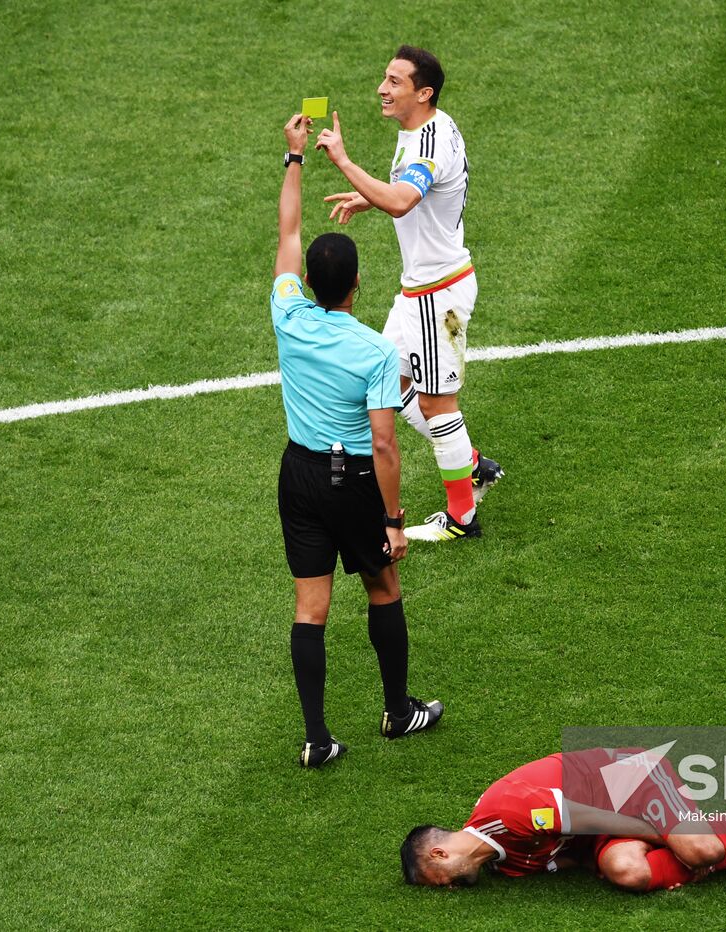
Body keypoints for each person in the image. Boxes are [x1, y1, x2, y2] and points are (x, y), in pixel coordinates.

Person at [270, 112, 444, 769]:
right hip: (352, 485)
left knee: (309, 608)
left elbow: (288, 231)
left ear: (310, 283)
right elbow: (385, 445)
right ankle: (398, 712)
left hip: (298, 477)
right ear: (357, 285)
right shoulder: (374, 352)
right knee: (383, 587)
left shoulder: (287, 312)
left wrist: (295, 158)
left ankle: (316, 739)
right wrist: (394, 520)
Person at [316, 45, 504, 544]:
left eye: (395, 81)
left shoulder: (428, 144)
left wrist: (344, 162)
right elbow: (409, 195)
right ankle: (472, 465)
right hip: (418, 291)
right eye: (385, 77)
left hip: (435, 295)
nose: (382, 87)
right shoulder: (423, 129)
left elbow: (403, 202)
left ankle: (462, 517)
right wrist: (368, 194)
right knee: (391, 388)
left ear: (423, 93)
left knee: (438, 402)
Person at [400, 748, 726, 890]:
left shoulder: (506, 810)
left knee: (697, 849)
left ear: (437, 854)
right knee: (626, 872)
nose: (445, 889)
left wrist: (666, 838)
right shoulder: (510, 868)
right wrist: (606, 865)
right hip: (603, 827)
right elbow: (581, 857)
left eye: (434, 882)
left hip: (631, 782)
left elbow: (586, 817)